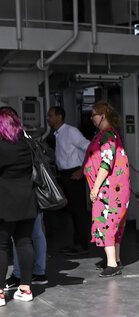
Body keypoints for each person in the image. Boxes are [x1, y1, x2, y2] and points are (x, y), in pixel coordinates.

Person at [83, 101, 130, 277]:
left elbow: (106, 162)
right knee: (115, 225)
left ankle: (112, 264)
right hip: (115, 189)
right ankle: (115, 259)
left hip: (109, 190)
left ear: (103, 116)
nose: (91, 118)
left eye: (94, 114)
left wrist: (95, 188)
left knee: (107, 223)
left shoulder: (107, 136)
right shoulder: (109, 134)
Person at [0, 107, 38, 305]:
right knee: (24, 243)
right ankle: (25, 288)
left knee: (1, 246)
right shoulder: (28, 145)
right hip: (27, 202)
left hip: (5, 204)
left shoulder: (3, 148)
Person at [46, 106, 90, 256]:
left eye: (50, 116)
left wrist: (82, 170)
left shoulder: (71, 131)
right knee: (71, 210)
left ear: (59, 117)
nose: (48, 118)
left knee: (78, 211)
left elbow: (89, 147)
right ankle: (76, 242)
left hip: (74, 173)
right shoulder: (58, 134)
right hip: (64, 174)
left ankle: (82, 244)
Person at [4, 213, 47, 290]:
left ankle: (19, 276)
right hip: (32, 204)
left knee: (20, 238)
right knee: (36, 232)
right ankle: (39, 272)